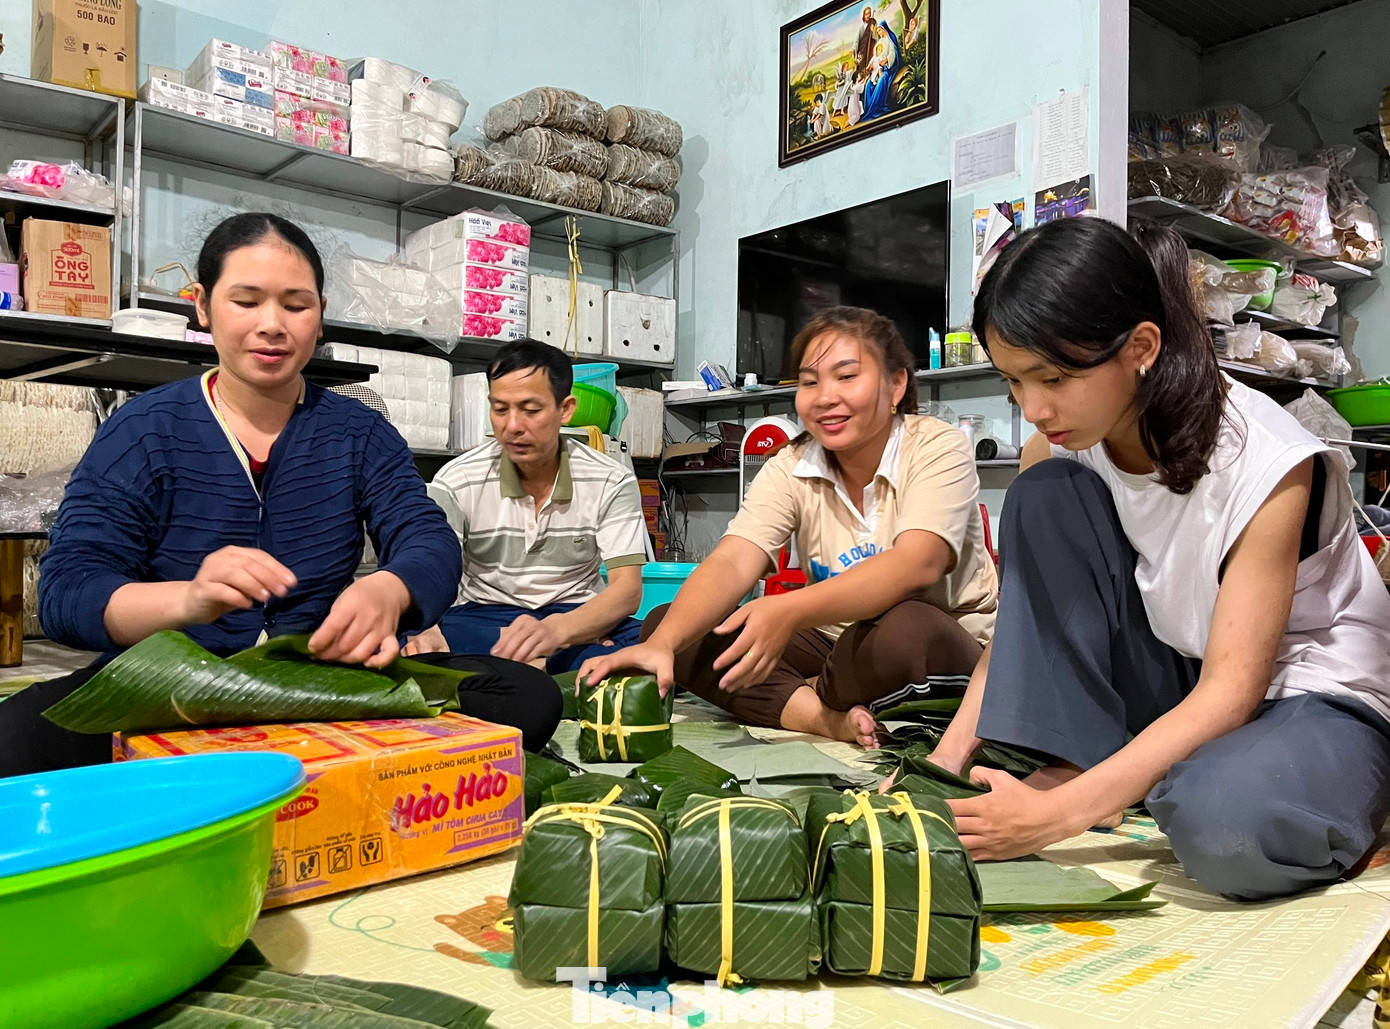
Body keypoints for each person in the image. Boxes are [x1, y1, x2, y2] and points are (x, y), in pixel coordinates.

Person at [0, 213, 561, 778]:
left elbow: (427, 538)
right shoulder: (143, 430)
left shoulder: (358, 432)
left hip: (318, 680)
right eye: (246, 301)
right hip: (172, 688)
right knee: (15, 740)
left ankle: (246, 774)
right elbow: (69, 591)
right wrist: (188, 601)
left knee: (526, 697)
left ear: (320, 315)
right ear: (202, 305)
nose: (272, 325)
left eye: (296, 305)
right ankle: (308, 771)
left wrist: (389, 593)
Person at [931, 217, 1390, 901]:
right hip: (1190, 665)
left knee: (1223, 826)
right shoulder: (1066, 437)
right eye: (1013, 383)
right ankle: (1080, 763)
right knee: (1042, 494)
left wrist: (1055, 819)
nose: (1033, 407)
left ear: (1142, 346)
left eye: (1052, 377)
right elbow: (1032, 614)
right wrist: (944, 757)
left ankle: (1347, 798)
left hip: (1310, 691)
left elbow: (1235, 690)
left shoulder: (1266, 460)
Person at [578, 306, 998, 747]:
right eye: (810, 381)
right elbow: (735, 559)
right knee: (671, 625)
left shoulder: (936, 446)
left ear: (896, 384)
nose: (824, 396)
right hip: (835, 640)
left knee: (907, 626)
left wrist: (789, 611)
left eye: (847, 376)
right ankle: (823, 718)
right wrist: (662, 644)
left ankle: (805, 694)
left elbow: (918, 563)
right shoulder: (793, 463)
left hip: (939, 641)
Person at [406, 340, 647, 674]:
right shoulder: (457, 480)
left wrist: (556, 631)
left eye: (531, 410)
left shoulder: (610, 480)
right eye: (500, 409)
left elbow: (626, 591)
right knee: (413, 635)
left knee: (657, 641)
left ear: (566, 409)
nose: (513, 425)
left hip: (575, 616)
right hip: (485, 616)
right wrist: (427, 629)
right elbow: (429, 570)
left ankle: (513, 669)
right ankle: (562, 669)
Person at [861, 21, 901, 121]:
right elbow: (875, 57)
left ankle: (877, 108)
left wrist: (887, 60)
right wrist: (870, 66)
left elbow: (893, 53)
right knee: (868, 85)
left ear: (883, 29)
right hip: (876, 69)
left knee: (881, 80)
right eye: (877, 30)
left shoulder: (889, 40)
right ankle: (869, 109)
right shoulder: (879, 43)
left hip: (887, 69)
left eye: (879, 30)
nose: (878, 32)